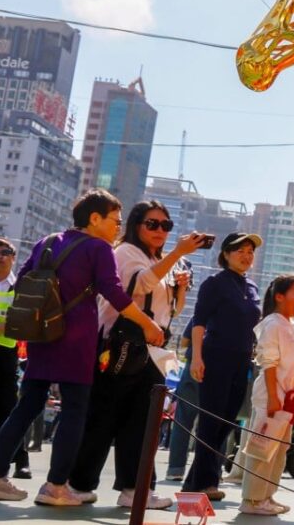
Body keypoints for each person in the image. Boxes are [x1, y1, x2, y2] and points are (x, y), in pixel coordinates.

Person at [0, 189, 165, 506]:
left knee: (26, 406)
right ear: (95, 218)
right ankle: (56, 486)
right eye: (115, 221)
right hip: (76, 339)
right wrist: (147, 323)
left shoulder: (46, 241)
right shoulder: (98, 248)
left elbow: (22, 282)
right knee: (75, 411)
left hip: (42, 335)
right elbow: (114, 293)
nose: (118, 227)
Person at [68, 200, 205, 509]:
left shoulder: (164, 260)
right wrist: (177, 255)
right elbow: (136, 286)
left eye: (165, 225)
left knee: (142, 424)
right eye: (152, 224)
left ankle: (136, 489)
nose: (160, 231)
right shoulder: (125, 252)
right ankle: (78, 484)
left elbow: (172, 312)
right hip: (121, 345)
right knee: (103, 417)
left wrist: (180, 288)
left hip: (153, 351)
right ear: (135, 225)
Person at [182, 232, 263, 501]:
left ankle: (196, 480)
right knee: (211, 419)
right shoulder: (214, 283)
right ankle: (205, 482)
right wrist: (197, 357)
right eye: (240, 250)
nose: (246, 256)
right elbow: (199, 321)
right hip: (215, 356)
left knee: (227, 420)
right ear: (226, 253)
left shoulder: (251, 287)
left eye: (251, 251)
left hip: (242, 361)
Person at [240, 275, 294, 516]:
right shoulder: (272, 323)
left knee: (279, 450)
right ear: (279, 296)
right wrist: (274, 397)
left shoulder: (293, 325)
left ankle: (267, 497)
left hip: (289, 399)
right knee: (262, 448)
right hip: (272, 395)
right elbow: (268, 362)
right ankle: (251, 500)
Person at [0, 239, 30, 480]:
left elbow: (23, 324)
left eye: (5, 252)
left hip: (5, 355)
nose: (0, 256)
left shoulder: (18, 287)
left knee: (10, 408)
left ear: (13, 257)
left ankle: (21, 461)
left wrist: (7, 326)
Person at [166, 319, 199, 481]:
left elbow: (185, 341)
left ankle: (175, 469)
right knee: (214, 424)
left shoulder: (202, 311)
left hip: (193, 369)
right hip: (220, 370)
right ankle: (209, 472)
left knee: (183, 421)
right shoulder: (241, 310)